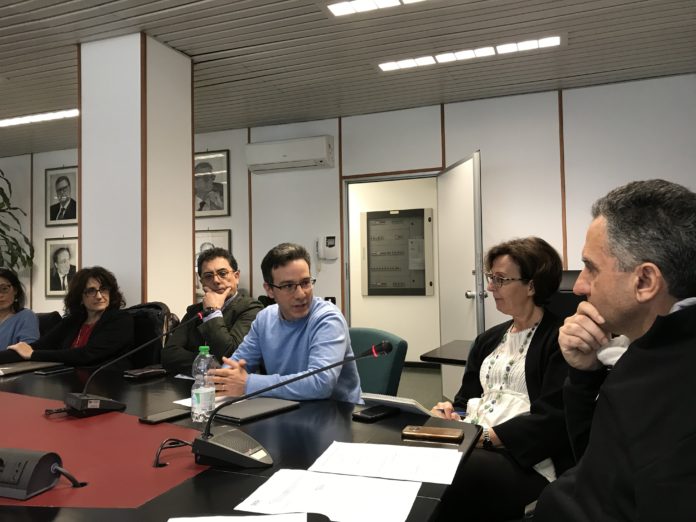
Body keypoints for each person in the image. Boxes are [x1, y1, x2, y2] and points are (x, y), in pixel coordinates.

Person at [531, 179, 696, 522]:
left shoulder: (670, 386)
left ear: (645, 281)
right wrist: (584, 374)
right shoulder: (649, 352)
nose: (579, 286)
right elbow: (595, 463)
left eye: (591, 268)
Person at [432, 237, 573, 522]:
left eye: (500, 279)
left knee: (452, 470)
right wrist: (447, 415)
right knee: (421, 457)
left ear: (532, 285)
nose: (490, 287)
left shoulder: (560, 339)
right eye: (491, 278)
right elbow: (464, 401)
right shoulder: (488, 340)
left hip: (529, 461)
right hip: (475, 444)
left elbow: (552, 421)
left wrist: (482, 437)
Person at [209, 242, 362, 403]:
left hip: (336, 412)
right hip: (285, 408)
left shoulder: (327, 318)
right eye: (288, 286)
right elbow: (236, 364)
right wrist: (226, 379)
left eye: (305, 282)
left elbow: (320, 383)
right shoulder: (265, 319)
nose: (301, 294)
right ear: (269, 290)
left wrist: (248, 383)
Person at [0, 266, 134, 368]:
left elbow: (87, 354)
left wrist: (33, 354)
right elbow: (40, 345)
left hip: (106, 384)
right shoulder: (74, 320)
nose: (99, 296)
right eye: (91, 291)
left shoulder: (121, 320)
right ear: (80, 297)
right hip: (69, 381)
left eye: (103, 289)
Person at [162, 247, 263, 374]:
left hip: (233, 384)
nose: (216, 280)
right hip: (196, 382)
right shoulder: (195, 311)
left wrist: (212, 312)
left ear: (236, 276)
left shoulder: (251, 308)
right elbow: (169, 354)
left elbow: (232, 356)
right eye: (208, 276)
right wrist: (206, 364)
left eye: (222, 273)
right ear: (202, 282)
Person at [0, 268, 39, 350]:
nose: (0, 295)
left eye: (4, 289)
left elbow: (27, 350)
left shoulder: (26, 317)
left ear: (15, 290)